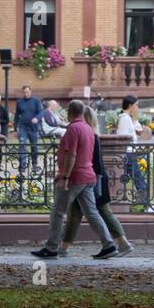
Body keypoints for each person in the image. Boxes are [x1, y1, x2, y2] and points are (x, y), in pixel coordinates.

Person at [32, 100, 117, 259]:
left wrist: (65, 176)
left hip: (75, 177)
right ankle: (109, 245)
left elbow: (71, 155)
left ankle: (51, 248)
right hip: (88, 175)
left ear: (70, 112)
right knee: (92, 213)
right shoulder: (88, 129)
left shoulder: (73, 129)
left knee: (58, 211)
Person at [58, 105, 133, 257]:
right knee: (77, 213)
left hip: (91, 179)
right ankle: (63, 248)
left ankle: (121, 244)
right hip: (93, 178)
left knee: (98, 211)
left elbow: (94, 161)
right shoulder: (91, 134)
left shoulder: (89, 135)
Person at [117, 94, 149, 198]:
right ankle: (144, 202)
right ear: (130, 105)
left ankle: (144, 202)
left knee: (138, 178)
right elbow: (122, 137)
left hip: (130, 152)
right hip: (127, 153)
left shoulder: (128, 118)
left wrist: (135, 117)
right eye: (136, 105)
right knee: (138, 179)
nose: (137, 108)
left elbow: (139, 131)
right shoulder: (124, 118)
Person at [14, 85, 43, 176]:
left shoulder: (36, 101)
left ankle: (34, 165)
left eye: (27, 92)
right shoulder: (19, 102)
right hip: (23, 127)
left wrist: (37, 118)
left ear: (30, 91)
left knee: (34, 147)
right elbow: (16, 115)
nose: (26, 94)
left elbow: (41, 112)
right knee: (22, 145)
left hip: (33, 128)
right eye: (24, 92)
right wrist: (16, 128)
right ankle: (22, 167)